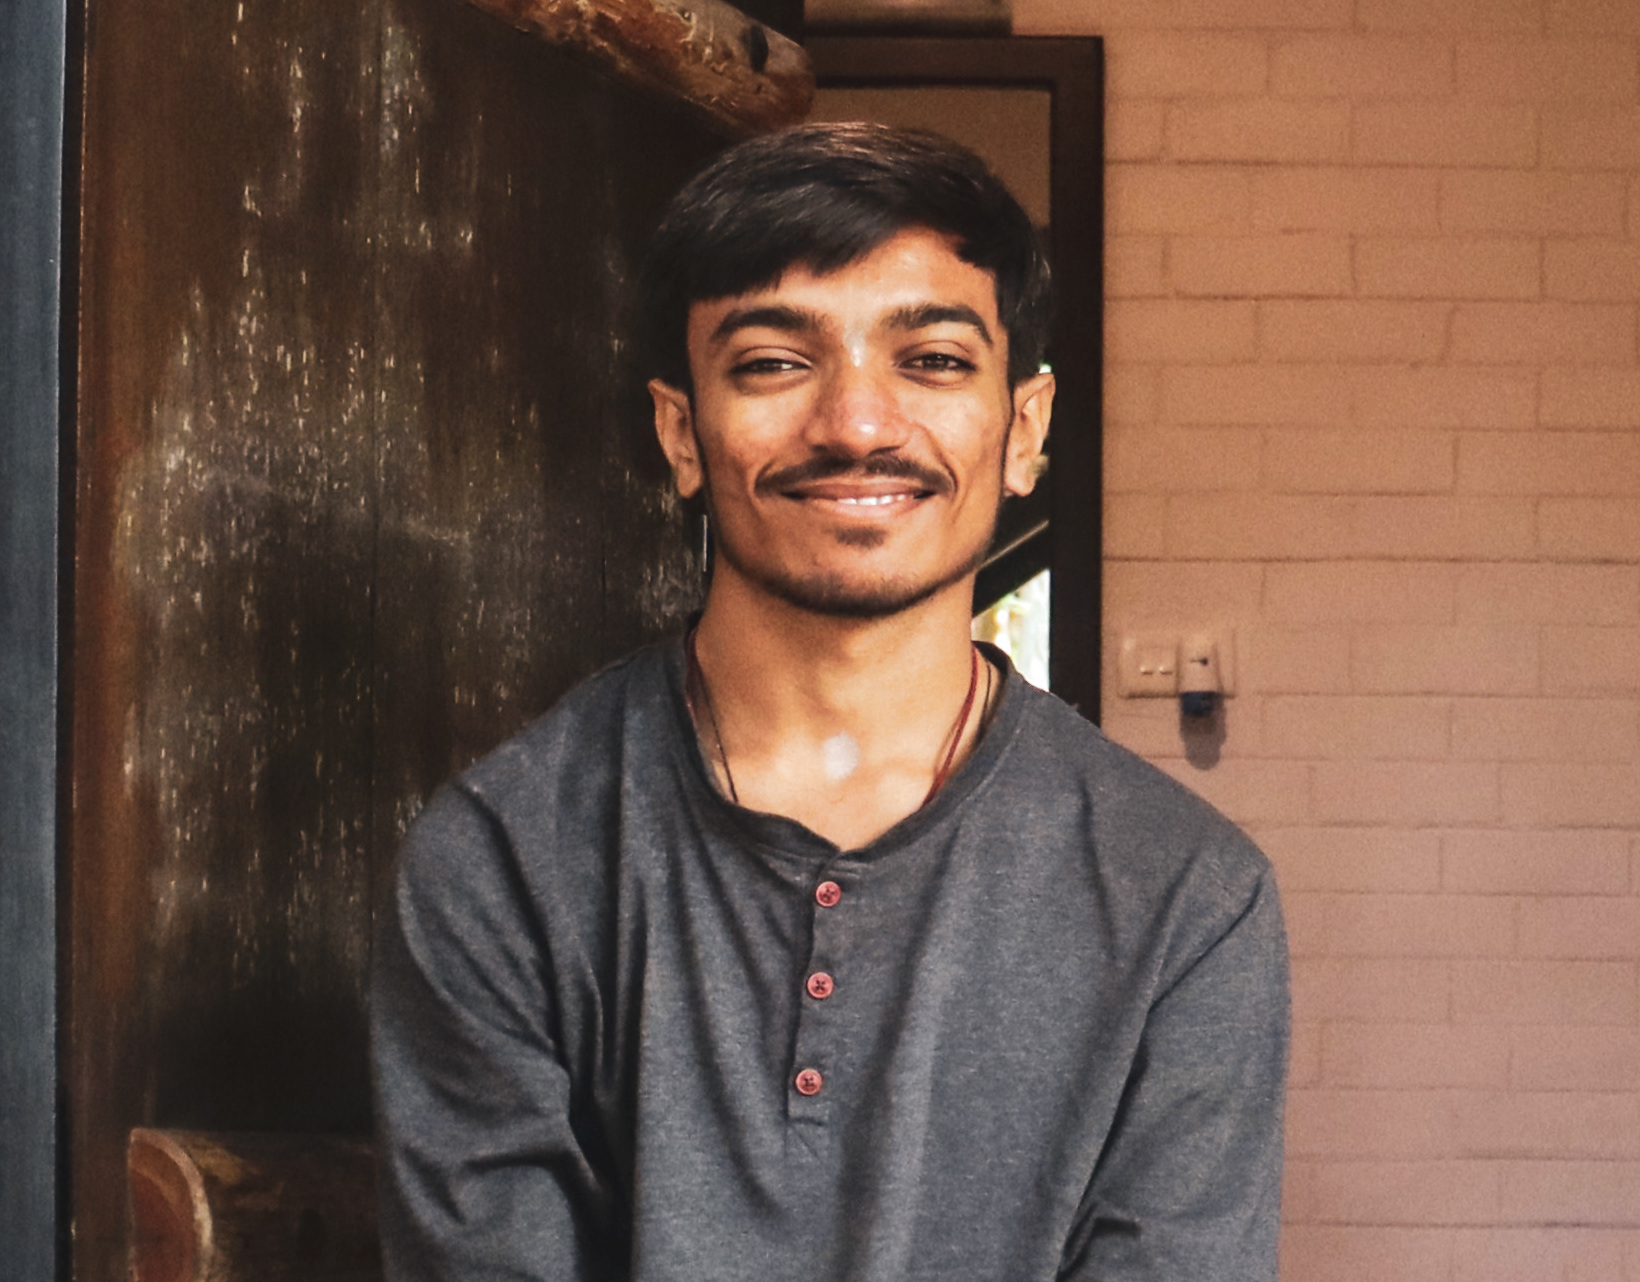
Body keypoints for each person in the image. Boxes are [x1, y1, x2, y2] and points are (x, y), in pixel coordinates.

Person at [371, 122, 1288, 1282]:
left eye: (933, 360)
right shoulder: (504, 858)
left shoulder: (1186, 897)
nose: (855, 424)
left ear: (1024, 430)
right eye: (772, 362)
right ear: (680, 433)